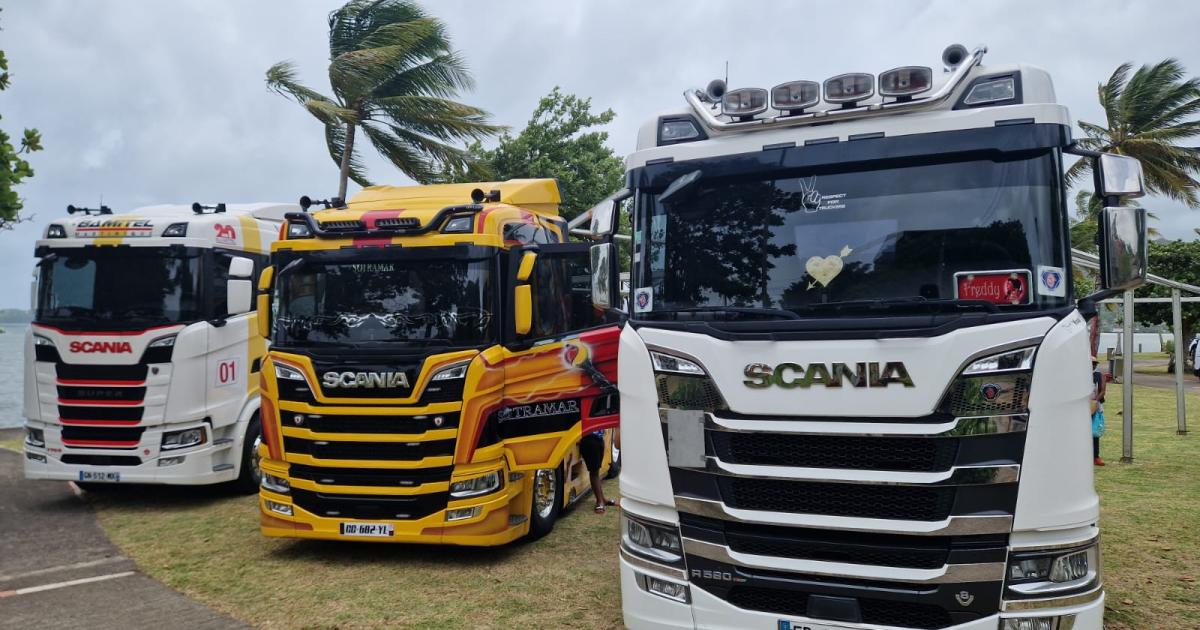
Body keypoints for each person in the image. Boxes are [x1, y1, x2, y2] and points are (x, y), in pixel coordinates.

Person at [579, 430, 617, 514]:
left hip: (599, 438)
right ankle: (599, 501)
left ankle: (602, 499)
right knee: (594, 472)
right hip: (589, 439)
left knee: (597, 471)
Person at [1091, 356, 1107, 466]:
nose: (1093, 365)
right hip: (1081, 407)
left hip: (1094, 407)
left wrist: (1095, 401)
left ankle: (1096, 456)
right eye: (1091, 363)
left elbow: (1102, 391)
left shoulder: (1099, 376)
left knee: (1094, 432)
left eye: (1095, 363)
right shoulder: (1079, 375)